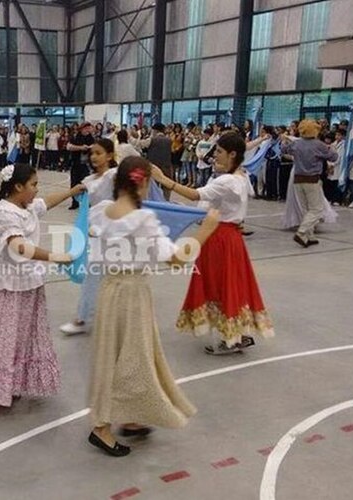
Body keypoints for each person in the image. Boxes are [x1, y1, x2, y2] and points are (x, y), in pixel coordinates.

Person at [87, 156, 220, 456]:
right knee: (133, 356)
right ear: (144, 182)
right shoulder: (142, 219)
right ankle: (101, 427)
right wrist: (206, 229)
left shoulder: (100, 212)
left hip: (110, 290)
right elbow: (174, 258)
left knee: (117, 354)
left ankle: (131, 417)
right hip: (132, 294)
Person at [0, 163, 84, 407]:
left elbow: (45, 203)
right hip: (6, 286)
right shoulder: (5, 214)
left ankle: (14, 383)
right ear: (17, 187)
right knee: (6, 336)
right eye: (33, 185)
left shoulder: (24, 205)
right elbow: (19, 247)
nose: (37, 189)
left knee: (21, 335)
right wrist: (58, 256)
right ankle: (0, 389)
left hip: (27, 283)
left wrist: (72, 191)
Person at [152, 131, 275, 354]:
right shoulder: (240, 177)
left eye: (219, 152)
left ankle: (231, 337)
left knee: (219, 284)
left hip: (220, 238)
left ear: (233, 154)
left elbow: (194, 195)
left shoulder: (227, 180)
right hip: (230, 238)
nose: (214, 156)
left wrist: (163, 180)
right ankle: (237, 333)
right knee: (231, 283)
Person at [60, 138, 118, 336]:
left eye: (99, 153)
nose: (93, 156)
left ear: (110, 155)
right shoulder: (89, 180)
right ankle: (84, 317)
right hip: (94, 232)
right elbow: (82, 200)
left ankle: (92, 317)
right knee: (93, 275)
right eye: (92, 153)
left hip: (115, 233)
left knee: (112, 276)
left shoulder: (114, 175)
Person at [281, 120, 339, 246]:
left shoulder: (297, 143)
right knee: (317, 209)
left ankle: (310, 235)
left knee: (306, 209)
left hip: (297, 180)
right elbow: (333, 157)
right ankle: (301, 232)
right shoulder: (318, 145)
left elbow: (284, 149)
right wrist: (331, 149)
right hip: (312, 180)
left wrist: (284, 139)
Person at [67, 122, 95, 209]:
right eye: (86, 128)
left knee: (86, 184)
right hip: (76, 164)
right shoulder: (75, 137)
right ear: (82, 129)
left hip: (86, 165)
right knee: (74, 184)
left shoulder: (91, 138)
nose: (88, 130)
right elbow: (69, 146)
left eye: (89, 128)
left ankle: (86, 202)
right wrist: (81, 147)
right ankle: (74, 202)